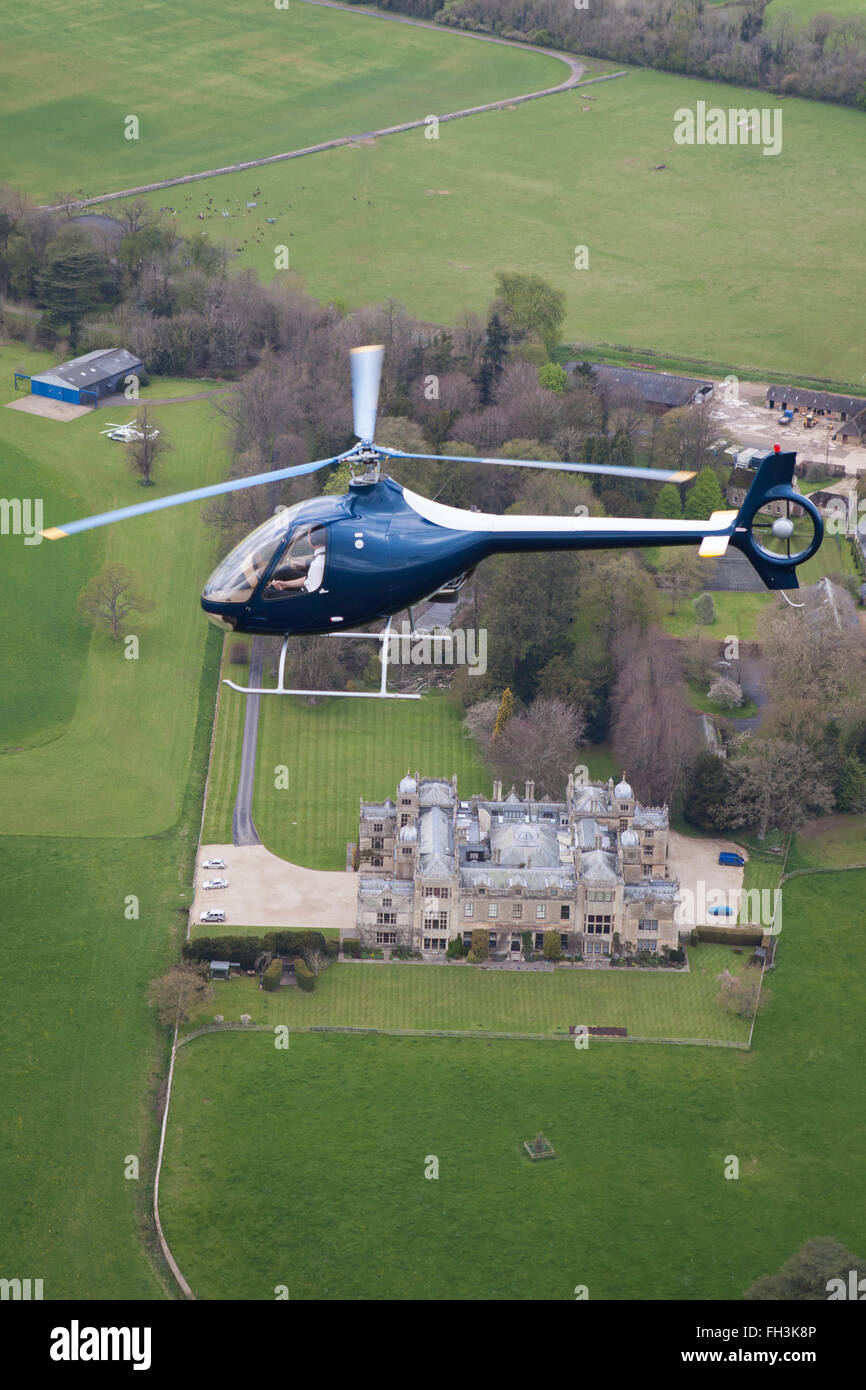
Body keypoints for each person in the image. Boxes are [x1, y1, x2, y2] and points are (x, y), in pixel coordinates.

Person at [269, 528, 326, 593]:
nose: (307, 538)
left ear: (314, 540)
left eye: (308, 535)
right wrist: (285, 584)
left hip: (308, 593)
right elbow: (309, 578)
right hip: (308, 587)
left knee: (269, 593)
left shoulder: (318, 563)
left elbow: (312, 591)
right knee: (283, 572)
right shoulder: (322, 555)